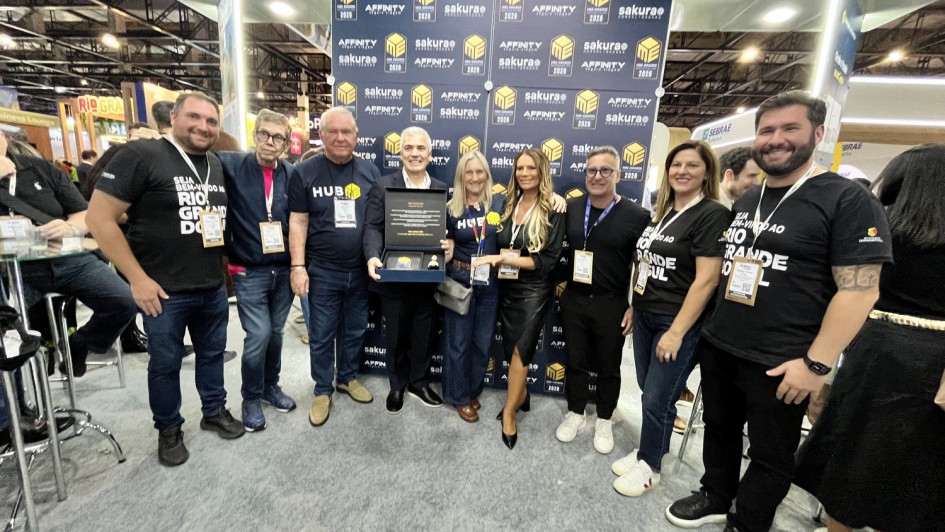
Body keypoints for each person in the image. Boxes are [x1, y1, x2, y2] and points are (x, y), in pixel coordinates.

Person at [665, 90, 892, 532]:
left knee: (770, 453)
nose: (775, 139)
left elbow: (860, 292)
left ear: (818, 133)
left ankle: (747, 521)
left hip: (782, 360)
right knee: (720, 428)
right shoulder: (750, 199)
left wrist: (816, 364)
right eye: (766, 130)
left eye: (790, 129)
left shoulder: (845, 200)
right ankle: (715, 494)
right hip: (723, 343)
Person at [87, 91, 245, 468]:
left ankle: (213, 410)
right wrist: (136, 279)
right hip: (162, 290)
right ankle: (169, 428)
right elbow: (99, 219)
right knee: (165, 363)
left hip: (210, 285)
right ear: (174, 116)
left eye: (211, 121)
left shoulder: (215, 165)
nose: (203, 127)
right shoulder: (141, 155)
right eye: (194, 117)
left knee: (211, 355)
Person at [793, 144, 945, 532]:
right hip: (930, 368)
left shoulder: (883, 235)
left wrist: (823, 376)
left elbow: (849, 303)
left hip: (874, 354)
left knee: (854, 463)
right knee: (922, 475)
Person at [610, 141, 729, 496]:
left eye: (692, 165)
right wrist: (634, 303)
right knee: (651, 390)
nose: (682, 171)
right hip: (646, 313)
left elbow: (707, 279)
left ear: (707, 172)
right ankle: (650, 449)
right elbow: (645, 263)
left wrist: (678, 331)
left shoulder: (712, 214)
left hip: (676, 322)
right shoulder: (663, 213)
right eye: (676, 165)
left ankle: (651, 467)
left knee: (658, 398)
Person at [0, 134, 136, 377]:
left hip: (69, 258)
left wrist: (71, 227)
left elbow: (84, 212)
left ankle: (81, 344)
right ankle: (22, 400)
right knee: (10, 334)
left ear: (5, 139)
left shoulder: (39, 168)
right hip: (16, 272)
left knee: (124, 300)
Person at [555, 146, 650, 453]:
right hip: (574, 297)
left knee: (609, 366)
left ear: (618, 175)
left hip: (611, 303)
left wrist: (636, 305)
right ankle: (576, 412)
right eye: (591, 170)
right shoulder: (571, 206)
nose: (597, 176)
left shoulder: (637, 216)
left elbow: (643, 265)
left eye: (605, 170)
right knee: (576, 361)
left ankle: (605, 419)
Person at [289, 107, 379, 426]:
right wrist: (298, 266)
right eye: (333, 132)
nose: (340, 138)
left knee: (354, 330)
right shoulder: (305, 172)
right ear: (322, 135)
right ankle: (322, 388)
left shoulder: (370, 172)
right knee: (322, 334)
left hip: (360, 271)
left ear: (356, 136)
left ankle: (347, 377)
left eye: (347, 132)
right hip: (322, 271)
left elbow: (377, 222)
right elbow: (298, 221)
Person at [472, 148, 564, 449]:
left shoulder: (553, 207)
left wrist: (498, 259)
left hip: (534, 290)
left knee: (520, 353)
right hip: (507, 287)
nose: (524, 173)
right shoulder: (507, 202)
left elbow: (547, 260)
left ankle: (510, 412)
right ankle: (521, 396)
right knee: (511, 346)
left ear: (542, 172)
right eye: (520, 168)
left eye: (531, 168)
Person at [218, 109, 298, 432]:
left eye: (277, 137)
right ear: (254, 135)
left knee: (276, 334)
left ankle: (270, 387)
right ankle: (250, 397)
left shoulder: (292, 174)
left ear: (286, 143)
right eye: (264, 134)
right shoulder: (230, 165)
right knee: (259, 334)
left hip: (282, 268)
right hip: (247, 268)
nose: (269, 141)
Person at [364, 126, 450, 414]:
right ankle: (397, 384)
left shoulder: (440, 188)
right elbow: (373, 227)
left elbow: (444, 232)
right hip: (393, 274)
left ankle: (419, 382)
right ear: (400, 153)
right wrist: (372, 256)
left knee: (424, 331)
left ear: (429, 153)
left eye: (420, 148)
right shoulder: (383, 185)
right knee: (396, 333)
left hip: (428, 276)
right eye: (409, 148)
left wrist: (447, 244)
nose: (415, 153)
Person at [440, 151, 503, 423]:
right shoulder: (450, 209)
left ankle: (472, 389)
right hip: (460, 280)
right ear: (461, 177)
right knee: (458, 343)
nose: (475, 177)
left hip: (489, 283)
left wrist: (557, 198)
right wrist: (446, 249)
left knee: (481, 342)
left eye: (480, 172)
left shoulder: (499, 204)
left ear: (487, 174)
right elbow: (440, 246)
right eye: (469, 172)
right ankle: (458, 396)